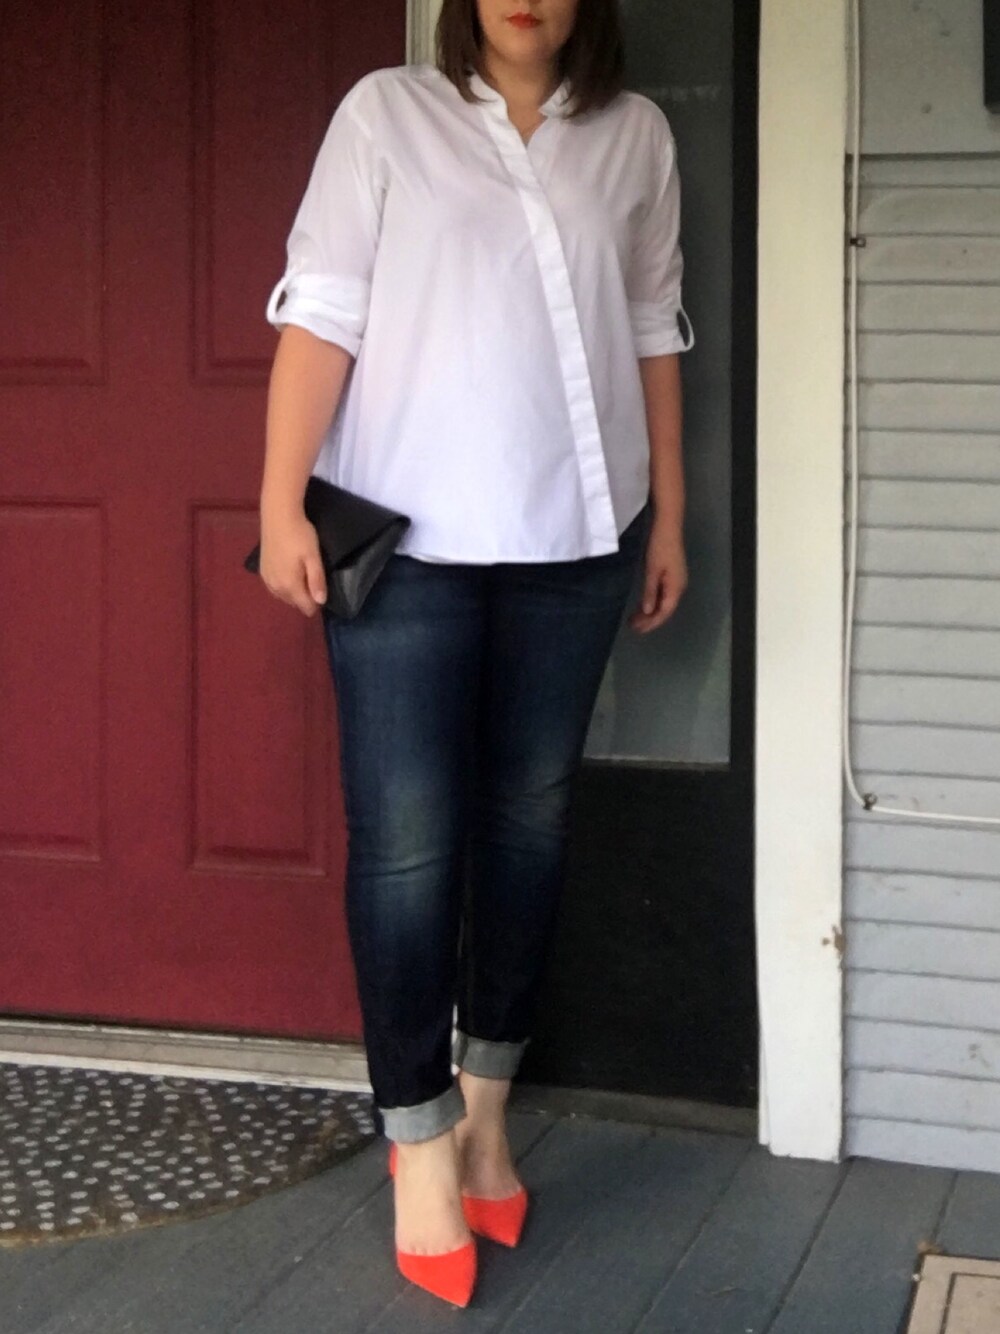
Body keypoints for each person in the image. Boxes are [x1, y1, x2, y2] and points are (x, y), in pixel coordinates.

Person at [257, 0, 694, 1308]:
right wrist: (278, 503)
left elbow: (654, 325)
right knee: (405, 840)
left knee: (529, 822)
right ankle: (418, 1140)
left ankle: (487, 1113)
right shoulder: (385, 116)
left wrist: (671, 514)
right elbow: (323, 314)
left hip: (579, 536)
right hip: (407, 544)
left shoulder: (636, 135)